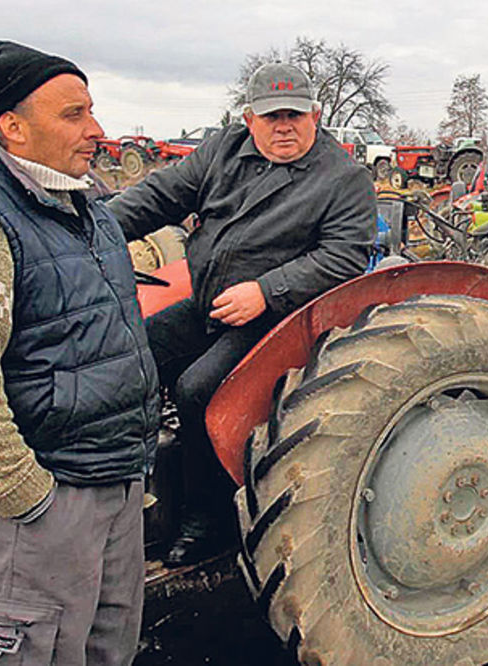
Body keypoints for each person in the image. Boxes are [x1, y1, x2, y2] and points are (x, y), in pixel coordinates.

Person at [0, 41, 159, 663]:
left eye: (91, 110)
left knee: (107, 651)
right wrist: (33, 501)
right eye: (73, 114)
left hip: (113, 484)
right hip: (41, 507)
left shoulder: (85, 208)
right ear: (13, 126)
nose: (97, 129)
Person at [107, 62, 376, 566]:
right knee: (135, 354)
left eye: (295, 115)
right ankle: (134, 483)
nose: (284, 127)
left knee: (198, 390)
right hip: (212, 302)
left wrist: (267, 291)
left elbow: (344, 256)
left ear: (315, 116)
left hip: (280, 317)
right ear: (249, 119)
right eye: (272, 116)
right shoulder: (224, 150)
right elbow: (162, 195)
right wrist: (97, 228)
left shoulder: (343, 178)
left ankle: (208, 517)